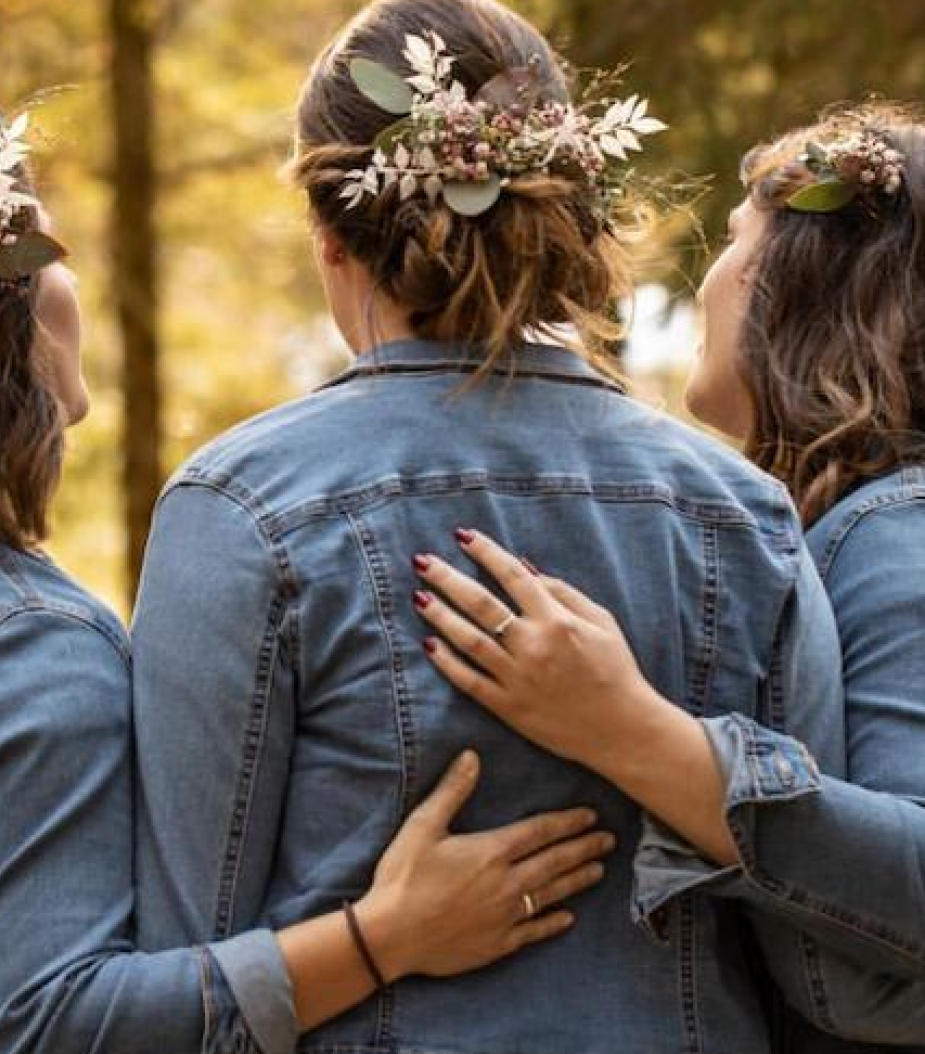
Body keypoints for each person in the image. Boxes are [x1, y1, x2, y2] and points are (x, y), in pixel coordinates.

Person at [129, 1, 845, 1051]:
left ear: (328, 233)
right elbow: (820, 949)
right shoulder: (743, 513)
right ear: (565, 207)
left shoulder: (241, 508)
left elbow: (182, 973)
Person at [0, 70, 615, 1054]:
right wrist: (381, 934)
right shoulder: (15, 655)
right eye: (40, 242)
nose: (74, 275)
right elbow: (55, 1023)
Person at [413, 102, 925, 1052]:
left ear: (804, 279)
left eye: (735, 240)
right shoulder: (839, 522)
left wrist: (625, 729)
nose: (712, 276)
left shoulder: (896, 527)